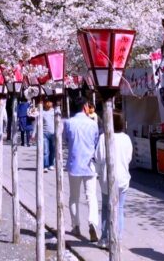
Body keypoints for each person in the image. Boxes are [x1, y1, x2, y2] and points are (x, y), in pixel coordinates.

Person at [63, 97, 101, 242]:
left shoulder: (69, 123)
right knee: (91, 196)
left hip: (74, 163)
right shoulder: (93, 124)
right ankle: (92, 222)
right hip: (89, 163)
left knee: (74, 196)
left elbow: (66, 140)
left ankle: (76, 225)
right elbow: (96, 141)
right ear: (85, 107)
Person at [96, 112, 133, 248]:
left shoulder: (103, 137)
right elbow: (129, 158)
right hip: (122, 178)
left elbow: (99, 157)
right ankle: (117, 238)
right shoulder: (126, 138)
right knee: (120, 208)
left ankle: (105, 238)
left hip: (107, 178)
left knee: (106, 207)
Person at [41, 98, 56, 171]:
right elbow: (37, 123)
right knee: (45, 151)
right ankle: (45, 165)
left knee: (53, 150)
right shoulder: (42, 112)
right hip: (44, 133)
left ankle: (51, 164)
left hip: (53, 133)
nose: (48, 103)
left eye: (49, 102)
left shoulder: (55, 111)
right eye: (46, 102)